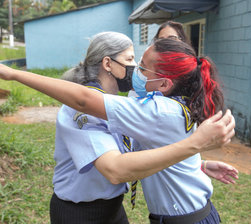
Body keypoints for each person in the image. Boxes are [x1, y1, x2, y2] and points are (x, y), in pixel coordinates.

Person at [0, 38, 237, 223]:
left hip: (163, 215)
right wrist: (198, 163)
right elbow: (135, 154)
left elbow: (84, 99)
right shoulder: (171, 104)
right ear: (107, 63)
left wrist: (12, 74)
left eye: (142, 66)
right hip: (80, 212)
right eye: (132, 61)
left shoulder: (156, 109)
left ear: (164, 84)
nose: (135, 70)